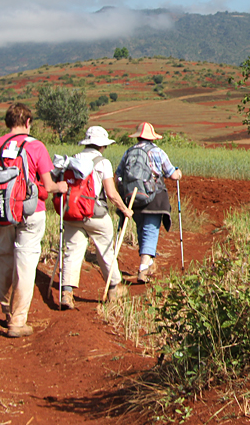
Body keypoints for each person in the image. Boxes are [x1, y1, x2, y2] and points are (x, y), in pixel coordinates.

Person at [0, 103, 68, 338]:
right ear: (28, 122)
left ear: (8, 122)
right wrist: (62, 186)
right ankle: (18, 320)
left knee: (5, 258)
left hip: (3, 211)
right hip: (30, 210)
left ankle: (7, 312)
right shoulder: (36, 146)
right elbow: (48, 186)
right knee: (25, 262)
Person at [58, 126, 135, 309]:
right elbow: (111, 193)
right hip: (96, 214)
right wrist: (125, 210)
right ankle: (114, 288)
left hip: (72, 213)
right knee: (106, 250)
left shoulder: (73, 159)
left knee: (73, 251)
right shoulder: (103, 163)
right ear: (102, 146)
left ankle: (67, 292)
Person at [115, 122, 182, 283]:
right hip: (154, 197)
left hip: (133, 197)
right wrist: (178, 173)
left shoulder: (129, 152)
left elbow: (118, 176)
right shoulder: (157, 152)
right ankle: (144, 268)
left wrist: (124, 194)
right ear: (152, 138)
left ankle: (149, 262)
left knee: (141, 229)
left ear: (138, 136)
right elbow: (172, 175)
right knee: (150, 230)